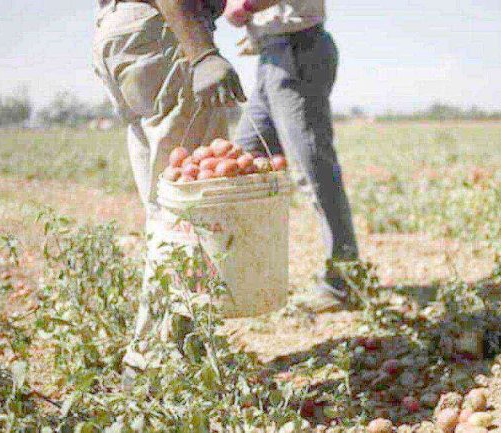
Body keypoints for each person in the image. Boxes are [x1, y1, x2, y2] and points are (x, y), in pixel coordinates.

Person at [92, 0, 246, 369]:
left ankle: (178, 347)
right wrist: (202, 52)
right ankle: (155, 359)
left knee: (166, 209)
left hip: (121, 34)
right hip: (165, 32)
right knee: (189, 211)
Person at [223, 0, 359, 312]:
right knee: (245, 158)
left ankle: (344, 281)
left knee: (313, 170)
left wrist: (245, 5)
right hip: (272, 55)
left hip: (297, 49)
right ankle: (249, 277)